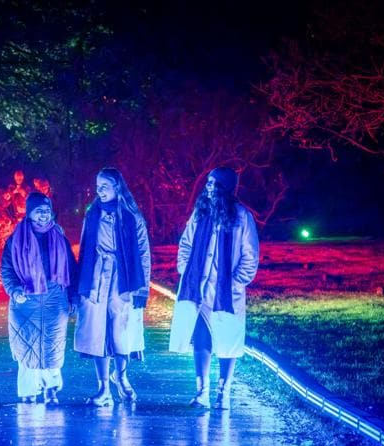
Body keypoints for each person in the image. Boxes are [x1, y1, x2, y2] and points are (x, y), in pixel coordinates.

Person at [168, 167, 259, 409]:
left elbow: (250, 256)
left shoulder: (241, 217)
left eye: (213, 184)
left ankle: (224, 392)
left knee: (228, 340)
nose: (208, 187)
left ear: (226, 188)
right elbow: (186, 244)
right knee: (201, 337)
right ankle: (202, 391)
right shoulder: (200, 213)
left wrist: (236, 282)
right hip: (198, 287)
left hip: (226, 293)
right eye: (207, 183)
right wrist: (186, 270)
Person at [74, 168, 151, 406]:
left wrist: (142, 288)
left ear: (117, 187)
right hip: (96, 275)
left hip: (123, 278)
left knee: (121, 330)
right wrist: (80, 284)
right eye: (98, 186)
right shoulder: (93, 214)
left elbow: (143, 252)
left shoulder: (131, 217)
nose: (100, 190)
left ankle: (122, 376)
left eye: (104, 186)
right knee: (97, 331)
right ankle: (103, 387)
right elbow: (85, 247)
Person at [0, 192, 78, 404]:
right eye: (38, 211)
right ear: (29, 213)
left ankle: (51, 388)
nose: (44, 215)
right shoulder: (16, 238)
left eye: (47, 211)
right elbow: (6, 269)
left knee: (53, 344)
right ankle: (28, 390)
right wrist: (15, 290)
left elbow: (71, 268)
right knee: (26, 345)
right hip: (26, 298)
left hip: (55, 298)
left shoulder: (59, 236)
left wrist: (73, 297)